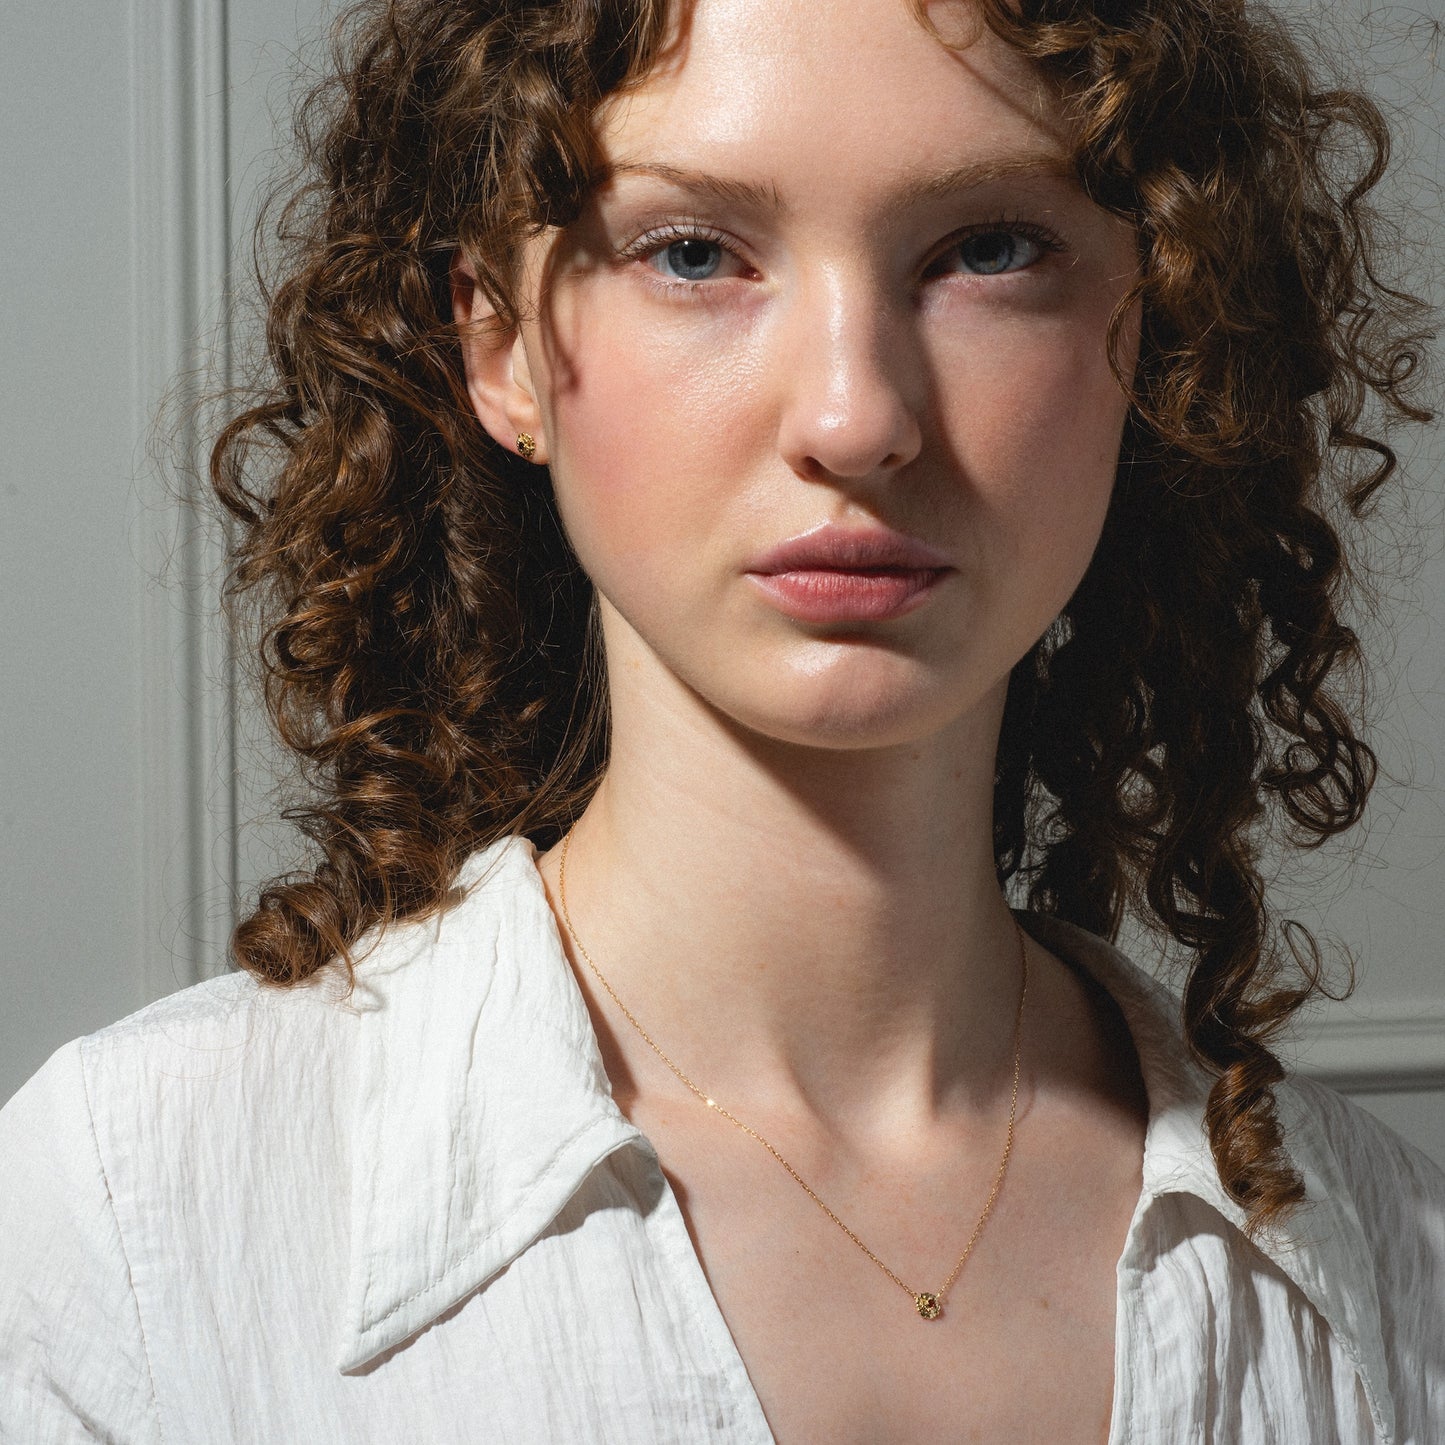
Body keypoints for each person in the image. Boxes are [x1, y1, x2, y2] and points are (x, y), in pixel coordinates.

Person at [2, 0, 1442, 1438]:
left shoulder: (1390, 1268)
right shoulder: (132, 1220)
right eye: (692, 253)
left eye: (987, 250)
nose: (853, 413)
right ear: (496, 343)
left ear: (1159, 326)